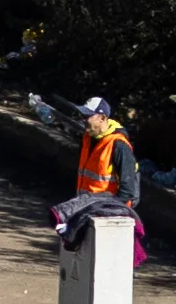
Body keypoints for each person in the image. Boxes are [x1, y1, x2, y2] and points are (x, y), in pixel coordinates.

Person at [56, 94, 142, 248]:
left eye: (88, 116)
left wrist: (109, 211)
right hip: (87, 210)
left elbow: (127, 190)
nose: (84, 120)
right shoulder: (88, 138)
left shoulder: (119, 145)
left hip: (109, 216)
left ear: (102, 118)